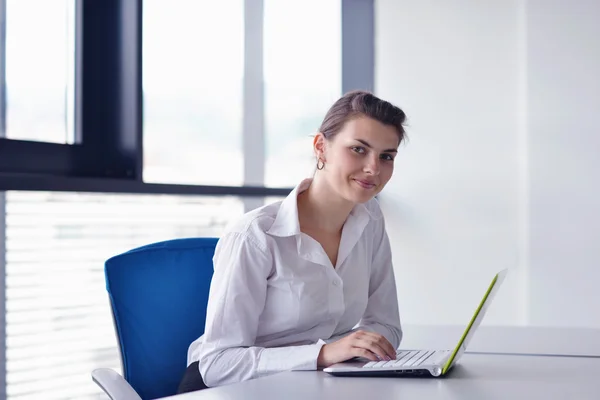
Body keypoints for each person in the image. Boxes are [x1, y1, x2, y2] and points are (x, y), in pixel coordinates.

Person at [177, 90, 407, 393]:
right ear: (321, 147)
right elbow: (218, 363)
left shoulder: (370, 220)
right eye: (358, 150)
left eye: (386, 156)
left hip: (312, 385)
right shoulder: (255, 236)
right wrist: (324, 354)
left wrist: (359, 348)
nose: (373, 169)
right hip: (229, 390)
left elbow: (386, 324)